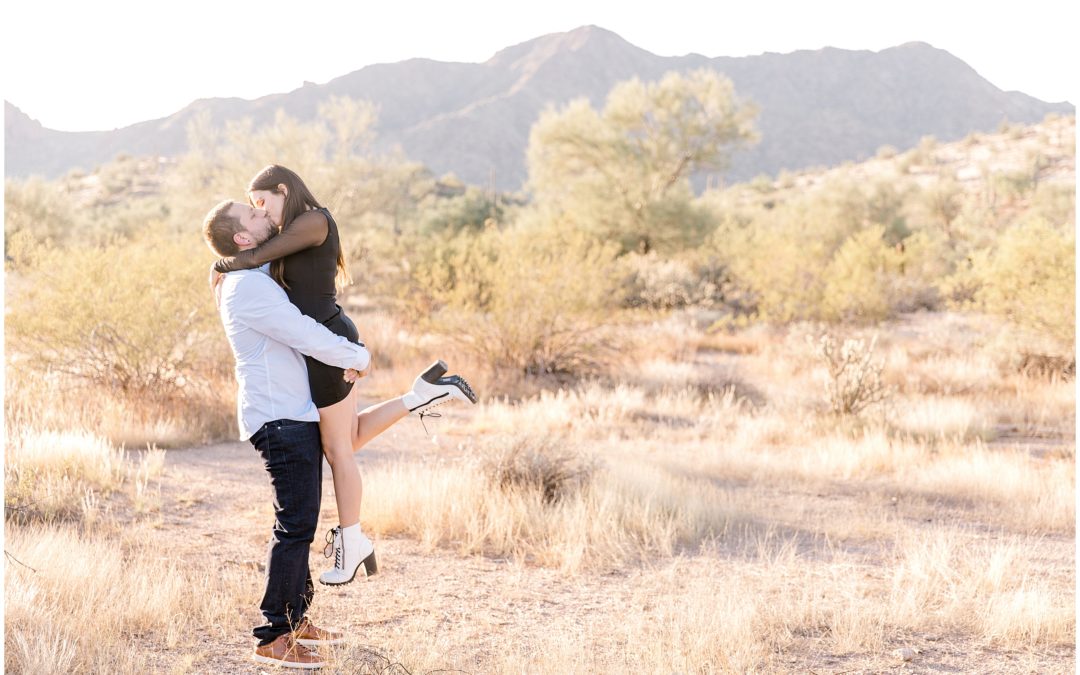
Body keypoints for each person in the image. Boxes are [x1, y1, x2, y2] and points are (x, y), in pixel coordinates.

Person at [211, 165, 476, 587]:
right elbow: (259, 266)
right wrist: (228, 269)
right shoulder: (288, 231)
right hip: (326, 340)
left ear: (283, 189)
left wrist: (222, 262)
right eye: (254, 209)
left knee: (339, 451)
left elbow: (258, 256)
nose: (262, 212)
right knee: (346, 439)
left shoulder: (312, 220)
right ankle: (418, 397)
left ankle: (352, 542)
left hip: (329, 341)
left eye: (263, 202)